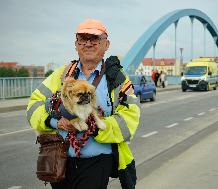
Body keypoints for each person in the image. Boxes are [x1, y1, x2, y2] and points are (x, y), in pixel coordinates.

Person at [26, 19, 140, 189]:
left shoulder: (117, 79)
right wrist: (55, 122)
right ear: (76, 44)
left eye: (94, 39)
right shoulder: (62, 74)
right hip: (60, 159)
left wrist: (93, 127)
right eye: (83, 38)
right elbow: (33, 106)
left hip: (98, 162)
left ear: (106, 44)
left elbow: (130, 119)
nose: (88, 43)